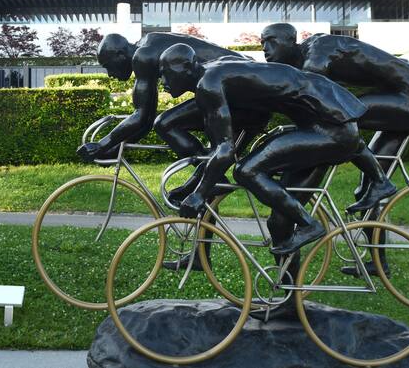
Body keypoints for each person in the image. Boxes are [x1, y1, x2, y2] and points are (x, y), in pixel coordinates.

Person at [261, 23, 409, 276]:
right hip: (401, 98)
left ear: (292, 40)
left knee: (343, 121)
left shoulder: (318, 50)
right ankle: (379, 264)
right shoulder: (301, 60)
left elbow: (313, 97)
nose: (265, 49)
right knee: (365, 190)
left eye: (271, 41)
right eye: (262, 43)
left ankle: (378, 181)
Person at [79, 32, 271, 271]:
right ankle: (201, 256)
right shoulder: (150, 43)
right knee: (203, 175)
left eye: (108, 65)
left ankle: (208, 172)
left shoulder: (143, 56)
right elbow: (142, 122)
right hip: (247, 91)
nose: (109, 74)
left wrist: (103, 144)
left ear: (121, 54)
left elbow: (142, 118)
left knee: (166, 124)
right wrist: (113, 147)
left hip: (244, 96)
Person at [159, 43, 367, 261]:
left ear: (186, 67)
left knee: (246, 171)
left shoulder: (208, 84)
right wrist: (197, 184)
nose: (163, 82)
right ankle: (290, 293)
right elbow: (231, 141)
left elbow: (225, 149)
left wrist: (199, 195)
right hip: (325, 124)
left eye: (165, 74)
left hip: (331, 129)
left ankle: (309, 224)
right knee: (278, 220)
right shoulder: (216, 72)